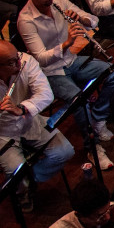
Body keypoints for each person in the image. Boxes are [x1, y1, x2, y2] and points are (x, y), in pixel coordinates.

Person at [17, 0, 114, 170]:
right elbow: (40, 58)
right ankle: (92, 147)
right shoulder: (26, 20)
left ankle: (98, 118)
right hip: (50, 73)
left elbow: (93, 20)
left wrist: (83, 20)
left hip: (71, 61)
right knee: (79, 101)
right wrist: (66, 44)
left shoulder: (57, 0)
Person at [0, 39, 75, 213]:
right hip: (3, 133)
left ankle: (29, 180)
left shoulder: (25, 61)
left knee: (65, 152)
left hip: (29, 120)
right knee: (15, 169)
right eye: (11, 62)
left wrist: (21, 108)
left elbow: (46, 94)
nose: (19, 63)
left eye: (16, 57)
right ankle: (22, 193)